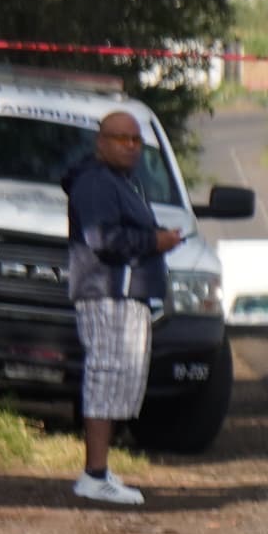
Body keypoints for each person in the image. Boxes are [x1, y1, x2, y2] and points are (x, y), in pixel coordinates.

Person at [63, 111, 180, 509]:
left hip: (126, 295)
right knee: (106, 376)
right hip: (107, 291)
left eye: (135, 140)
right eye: (121, 138)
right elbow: (101, 238)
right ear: (101, 141)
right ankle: (93, 475)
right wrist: (155, 241)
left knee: (120, 381)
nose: (130, 146)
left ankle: (101, 471)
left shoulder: (121, 181)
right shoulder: (95, 182)